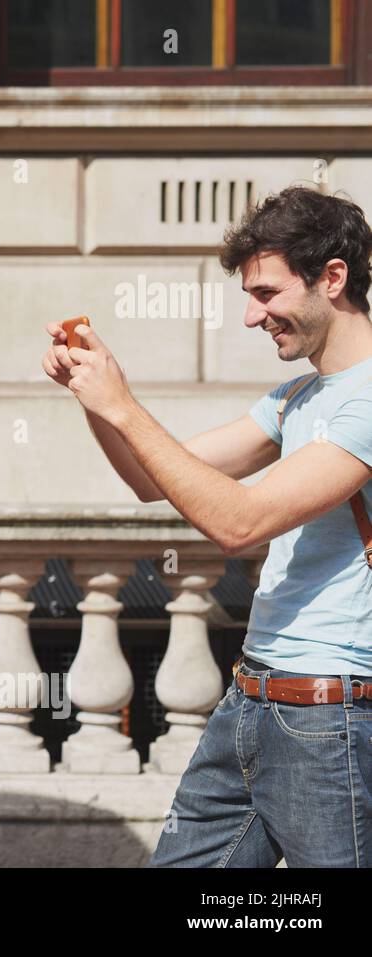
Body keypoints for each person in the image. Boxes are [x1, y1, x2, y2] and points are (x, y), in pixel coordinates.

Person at [42, 185, 372, 867]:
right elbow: (149, 477)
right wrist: (96, 394)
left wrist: (126, 408)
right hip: (251, 702)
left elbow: (239, 522)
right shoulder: (297, 399)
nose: (253, 316)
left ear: (332, 278)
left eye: (268, 293)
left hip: (328, 716)